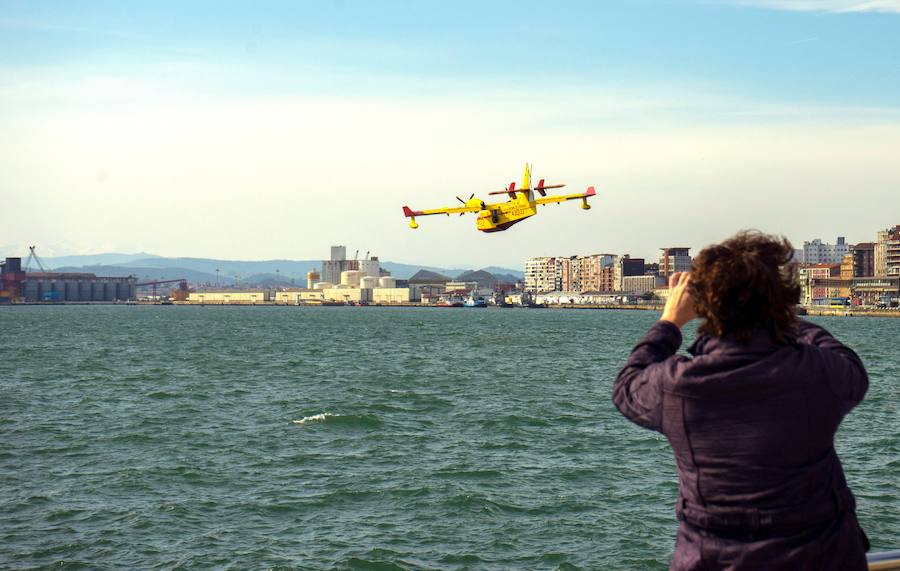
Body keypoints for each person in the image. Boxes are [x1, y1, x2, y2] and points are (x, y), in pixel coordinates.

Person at [612, 231, 869, 570]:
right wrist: (777, 312)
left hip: (713, 558)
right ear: (783, 298)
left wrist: (670, 321)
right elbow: (849, 366)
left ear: (703, 305)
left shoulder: (677, 385)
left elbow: (627, 386)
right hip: (825, 556)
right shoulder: (818, 373)